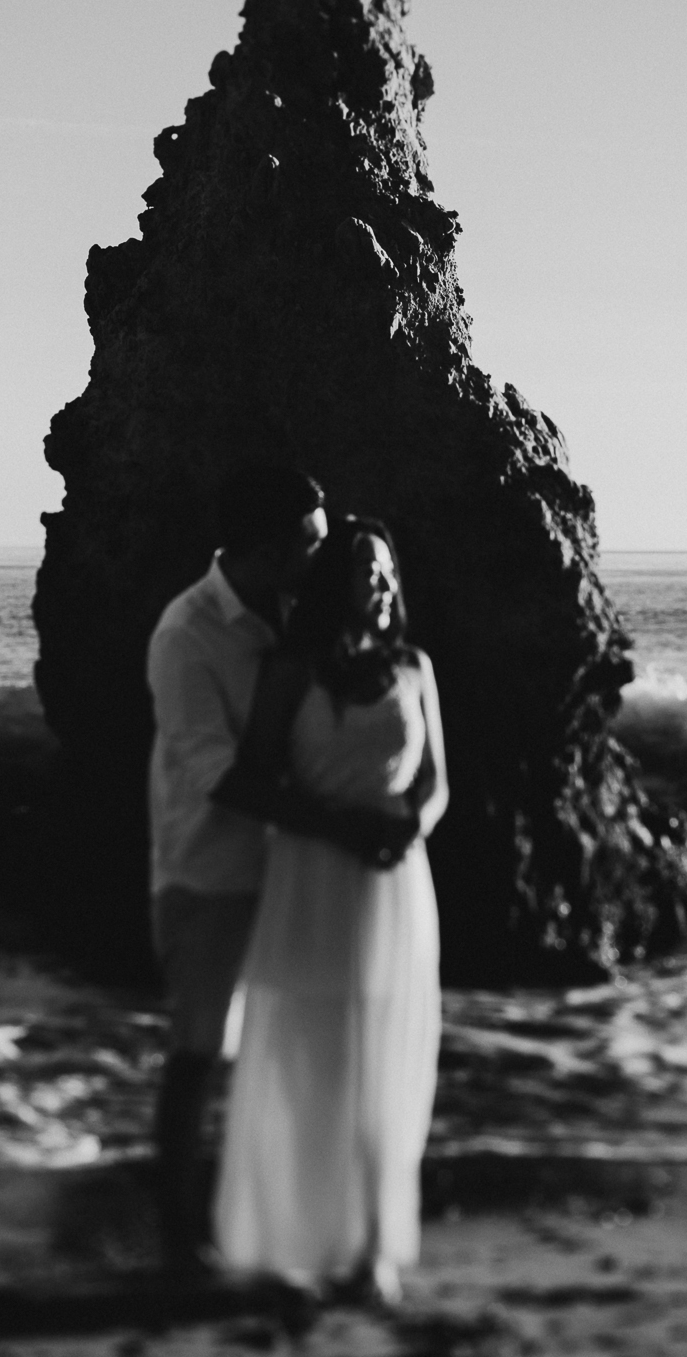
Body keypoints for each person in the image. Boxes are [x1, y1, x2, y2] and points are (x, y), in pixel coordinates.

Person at [211, 516, 448, 1304]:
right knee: (311, 1064)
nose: (380, 585)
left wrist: (408, 825)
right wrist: (337, 825)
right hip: (312, 881)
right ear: (330, 587)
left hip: (394, 885)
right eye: (364, 572)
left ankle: (371, 1250)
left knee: (385, 1066)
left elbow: (436, 784)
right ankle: (295, 1243)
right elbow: (248, 782)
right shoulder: (290, 670)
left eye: (387, 572)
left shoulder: (415, 668)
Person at [145, 461, 327, 1274]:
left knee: (285, 1050)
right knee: (199, 1051)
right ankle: (181, 1234)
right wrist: (339, 826)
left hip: (292, 870)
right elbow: (214, 773)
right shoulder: (188, 634)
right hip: (209, 871)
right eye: (311, 545)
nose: (323, 559)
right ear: (265, 549)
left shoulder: (298, 615)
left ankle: (270, 1213)